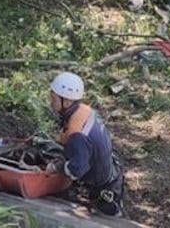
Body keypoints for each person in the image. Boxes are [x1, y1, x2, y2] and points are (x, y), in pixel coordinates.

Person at [45, 72, 125, 217]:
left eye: (54, 99)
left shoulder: (77, 134)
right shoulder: (85, 111)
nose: (51, 102)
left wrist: (56, 167)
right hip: (110, 170)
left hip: (103, 189)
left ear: (67, 102)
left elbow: (77, 169)